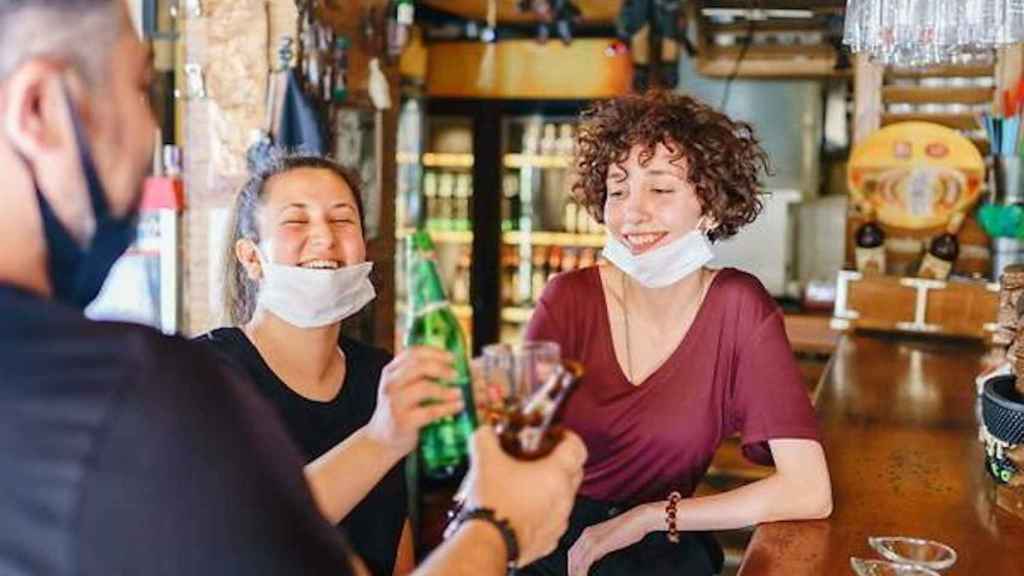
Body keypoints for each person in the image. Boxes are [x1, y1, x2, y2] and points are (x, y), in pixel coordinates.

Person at [0, 0, 586, 574]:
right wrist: (497, 526)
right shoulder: (145, 391)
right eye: (140, 88)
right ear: (38, 108)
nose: (154, 127)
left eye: (342, 220)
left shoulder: (375, 376)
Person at [522, 91, 833, 576]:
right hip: (551, 548)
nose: (632, 213)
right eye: (618, 190)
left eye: (661, 190)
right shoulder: (567, 300)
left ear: (709, 206)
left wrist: (648, 517)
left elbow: (810, 491)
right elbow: (511, 452)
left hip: (664, 544)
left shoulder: (739, 308)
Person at [199, 151, 434, 575]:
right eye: (297, 220)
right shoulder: (205, 375)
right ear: (251, 258)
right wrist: (379, 440)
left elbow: (395, 538)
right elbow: (239, 536)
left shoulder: (379, 376)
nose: (325, 237)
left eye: (343, 219)